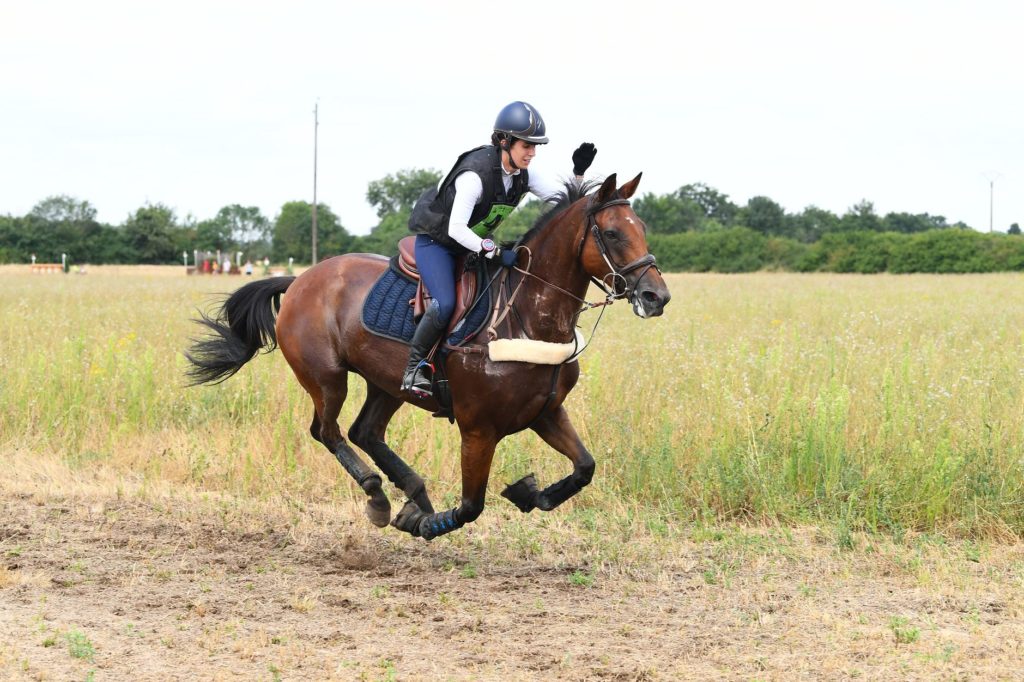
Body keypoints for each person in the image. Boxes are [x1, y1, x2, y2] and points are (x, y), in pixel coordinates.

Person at [400, 100, 597, 398]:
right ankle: (414, 368)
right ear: (505, 142)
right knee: (445, 304)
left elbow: (564, 203)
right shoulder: (474, 175)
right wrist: (492, 252)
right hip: (438, 245)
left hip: (472, 248)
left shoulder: (521, 174)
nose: (532, 153)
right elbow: (455, 230)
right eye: (526, 146)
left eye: (535, 147)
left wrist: (578, 174)